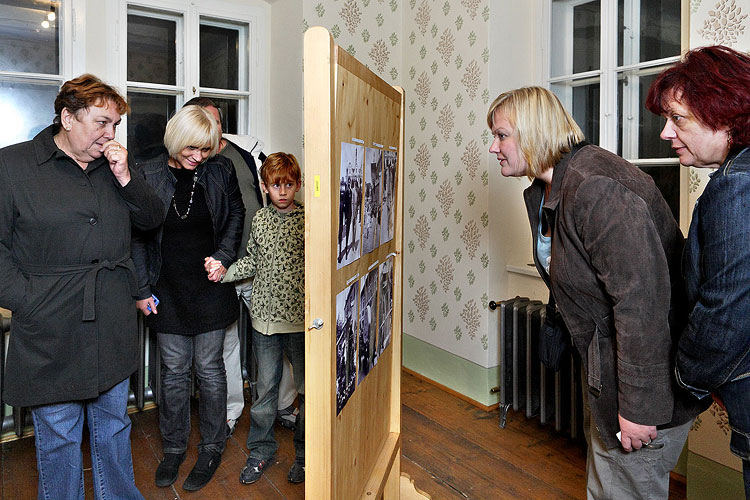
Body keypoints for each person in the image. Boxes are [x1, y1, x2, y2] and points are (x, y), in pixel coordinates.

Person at [487, 86, 707, 500]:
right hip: (608, 377)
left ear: (534, 131)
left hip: (645, 391)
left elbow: (641, 304)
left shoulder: (594, 186)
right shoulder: (549, 186)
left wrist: (639, 409)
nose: (493, 147)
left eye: (501, 135)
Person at [0, 74, 162, 499]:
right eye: (102, 123)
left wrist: (126, 176)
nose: (110, 135)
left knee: (114, 429)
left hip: (110, 321)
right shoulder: (12, 166)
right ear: (68, 118)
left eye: (115, 125)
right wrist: (28, 300)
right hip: (49, 330)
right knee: (59, 440)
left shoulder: (117, 167)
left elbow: (151, 220)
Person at [646, 45, 750, 499]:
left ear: (726, 115)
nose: (667, 132)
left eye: (679, 119)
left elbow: (726, 310)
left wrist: (685, 378)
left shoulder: (737, 188)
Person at [131, 105, 245, 491]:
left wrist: (225, 257)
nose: (199, 157)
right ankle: (175, 448)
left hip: (210, 287)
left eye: (206, 149)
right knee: (174, 372)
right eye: (192, 149)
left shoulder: (220, 170)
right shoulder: (147, 173)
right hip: (168, 289)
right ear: (176, 141)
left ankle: (212, 445)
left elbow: (235, 214)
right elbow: (139, 236)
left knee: (210, 370)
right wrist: (142, 289)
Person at [183, 97, 298, 435]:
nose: (211, 129)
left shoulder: (245, 155)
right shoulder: (191, 163)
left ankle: (283, 405)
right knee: (225, 346)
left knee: (278, 335)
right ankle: (231, 412)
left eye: (215, 121)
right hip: (219, 273)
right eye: (203, 121)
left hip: (259, 270)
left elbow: (272, 196)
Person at [211, 152, 305, 485]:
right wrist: (223, 273)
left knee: (306, 390)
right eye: (276, 185)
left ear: (298, 185)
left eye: (289, 185)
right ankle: (261, 451)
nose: (282, 191)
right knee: (265, 390)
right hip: (265, 320)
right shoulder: (261, 220)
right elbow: (252, 261)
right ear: (264, 187)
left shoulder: (308, 221)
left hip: (299, 322)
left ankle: (306, 456)